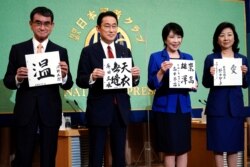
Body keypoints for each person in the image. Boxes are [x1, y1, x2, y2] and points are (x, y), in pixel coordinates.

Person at [3, 6, 73, 167]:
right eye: (38, 23)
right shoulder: (18, 49)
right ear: (31, 24)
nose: (43, 27)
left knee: (49, 157)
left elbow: (69, 84)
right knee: (23, 156)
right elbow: (8, 81)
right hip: (25, 110)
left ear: (52, 25)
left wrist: (64, 76)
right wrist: (17, 78)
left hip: (50, 110)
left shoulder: (60, 51)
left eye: (47, 23)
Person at [76, 11, 140, 167]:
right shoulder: (89, 51)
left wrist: (135, 76)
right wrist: (92, 76)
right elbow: (80, 80)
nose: (111, 30)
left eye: (114, 26)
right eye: (107, 26)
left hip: (120, 109)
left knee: (120, 156)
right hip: (99, 108)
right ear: (98, 28)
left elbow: (132, 81)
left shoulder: (125, 50)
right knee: (96, 154)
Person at [147, 22, 198, 167]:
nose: (176, 40)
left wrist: (194, 84)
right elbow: (151, 84)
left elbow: (194, 81)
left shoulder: (187, 57)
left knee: (183, 148)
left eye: (179, 37)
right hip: (165, 108)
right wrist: (161, 71)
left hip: (183, 107)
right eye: (172, 37)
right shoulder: (156, 57)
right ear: (165, 39)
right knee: (169, 149)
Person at [202, 22, 250, 167]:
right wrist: (211, 75)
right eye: (222, 35)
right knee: (218, 146)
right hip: (217, 108)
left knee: (233, 147)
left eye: (229, 35)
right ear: (217, 39)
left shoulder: (242, 59)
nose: (226, 38)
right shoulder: (211, 58)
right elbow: (205, 83)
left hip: (235, 108)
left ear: (234, 38)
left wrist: (244, 74)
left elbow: (246, 84)